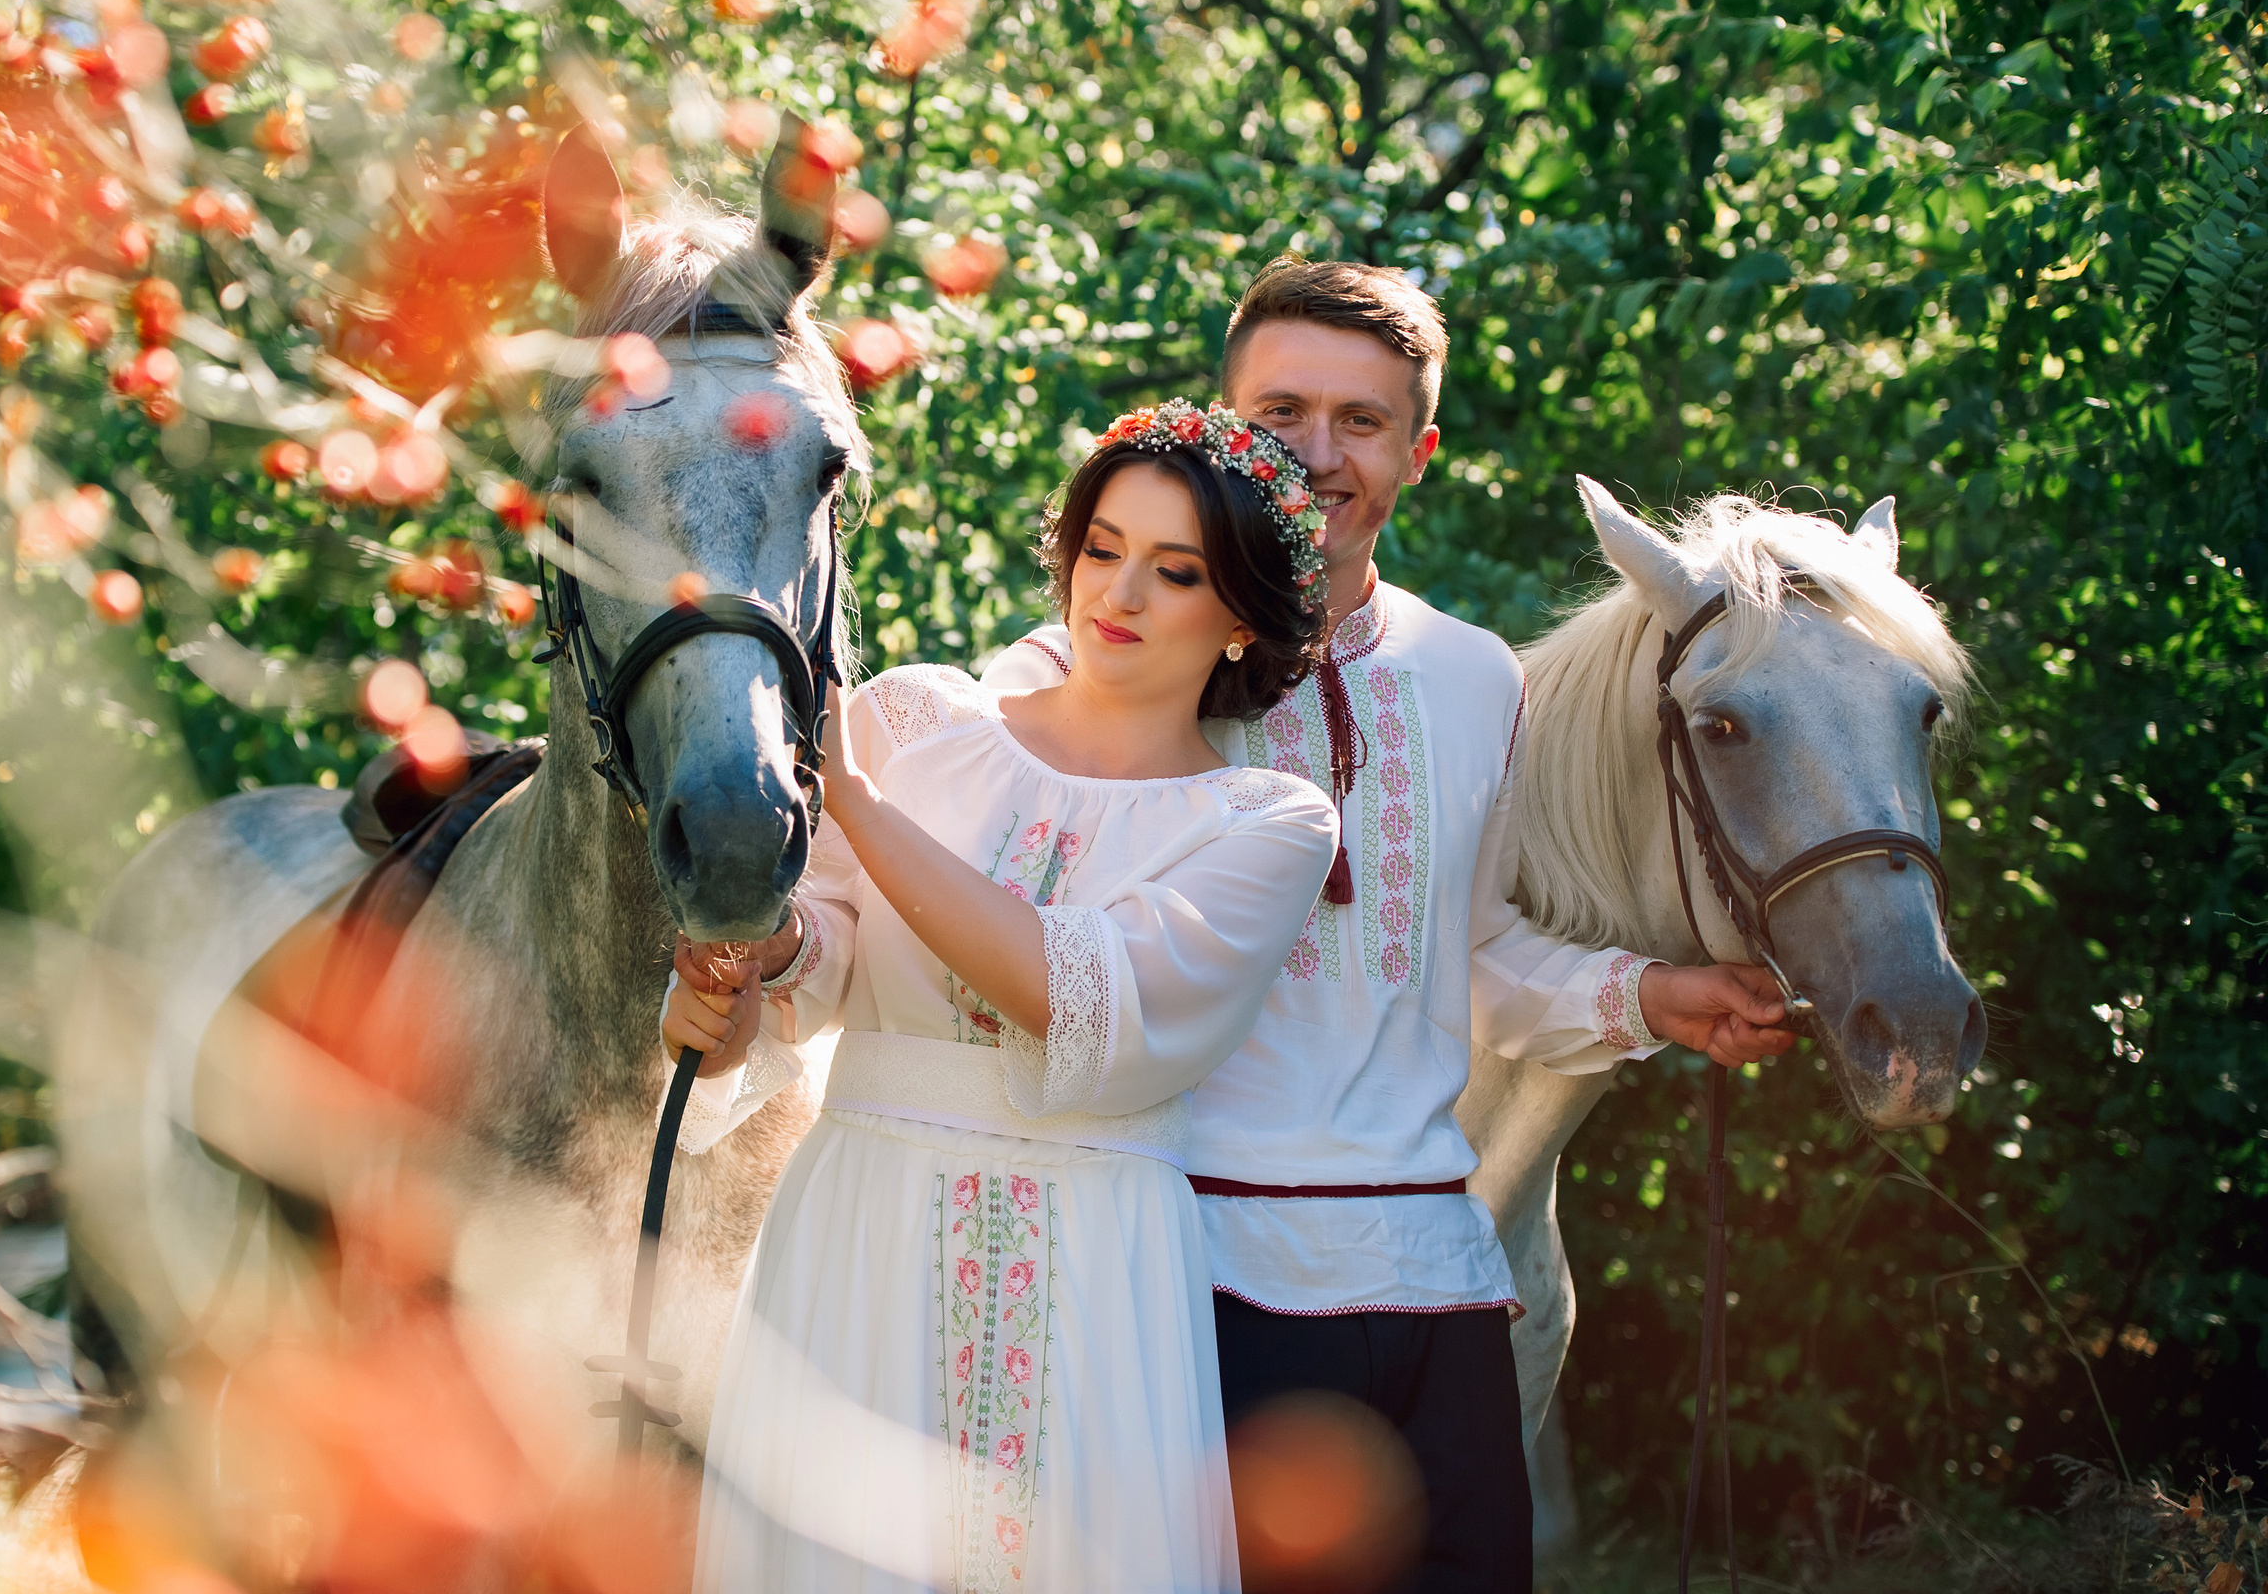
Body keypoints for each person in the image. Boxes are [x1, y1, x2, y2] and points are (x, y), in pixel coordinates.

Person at [980, 259, 1800, 1594]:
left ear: (1417, 452)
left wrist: (1657, 996)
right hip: (1191, 1272)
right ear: (1220, 423)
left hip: (1439, 1276)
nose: (1315, 452)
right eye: (1280, 410)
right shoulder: (1086, 656)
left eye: (1360, 421)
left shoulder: (1476, 675)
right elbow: (952, 863)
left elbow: (1468, 961)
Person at [664, 402, 1344, 1593]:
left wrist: (865, 815)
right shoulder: (913, 721)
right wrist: (750, 971)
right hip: (860, 1213)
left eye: (1173, 571)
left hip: (1095, 1245)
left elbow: (1075, 997)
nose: (1116, 594)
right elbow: (824, 948)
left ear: (1241, 614)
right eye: (1101, 549)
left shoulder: (1265, 825)